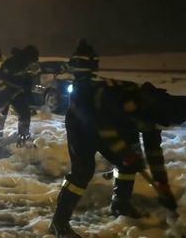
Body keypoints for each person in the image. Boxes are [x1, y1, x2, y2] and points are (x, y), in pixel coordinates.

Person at [49, 61, 183, 237]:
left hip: (114, 126)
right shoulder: (130, 100)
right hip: (82, 120)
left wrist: (163, 185)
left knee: (129, 164)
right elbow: (102, 125)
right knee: (83, 171)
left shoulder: (155, 113)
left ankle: (121, 205)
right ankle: (59, 223)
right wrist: (124, 151)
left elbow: (154, 153)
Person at [0, 45, 40, 147]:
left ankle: (23, 138)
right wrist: (2, 97)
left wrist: (31, 105)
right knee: (0, 115)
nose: (32, 64)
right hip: (2, 93)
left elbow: (27, 88)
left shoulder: (26, 67)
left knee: (25, 114)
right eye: (32, 61)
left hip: (17, 93)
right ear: (29, 57)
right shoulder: (12, 63)